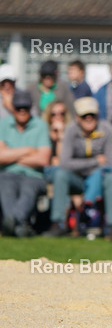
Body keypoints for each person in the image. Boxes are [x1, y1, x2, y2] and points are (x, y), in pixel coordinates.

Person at [46, 97, 112, 240]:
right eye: (84, 116)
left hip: (99, 178)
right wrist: (95, 161)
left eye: (92, 115)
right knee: (60, 174)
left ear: (97, 115)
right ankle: (57, 224)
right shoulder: (71, 129)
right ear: (77, 117)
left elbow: (109, 163)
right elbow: (65, 163)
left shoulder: (107, 129)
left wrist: (89, 167)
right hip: (76, 178)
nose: (88, 118)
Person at [0, 89, 51, 237]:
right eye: (18, 108)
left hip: (34, 175)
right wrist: (29, 150)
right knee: (4, 183)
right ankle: (20, 225)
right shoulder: (3, 124)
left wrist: (11, 153)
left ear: (31, 108)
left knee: (29, 187)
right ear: (13, 108)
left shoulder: (40, 125)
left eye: (26, 108)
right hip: (7, 173)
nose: (22, 111)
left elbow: (43, 159)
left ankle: (12, 221)